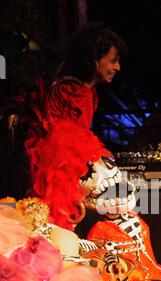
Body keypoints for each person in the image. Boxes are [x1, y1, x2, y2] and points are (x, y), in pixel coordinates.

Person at [23, 23, 127, 228]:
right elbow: (59, 147)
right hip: (54, 180)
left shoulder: (86, 92)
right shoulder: (70, 91)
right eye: (113, 61)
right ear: (94, 59)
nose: (117, 67)